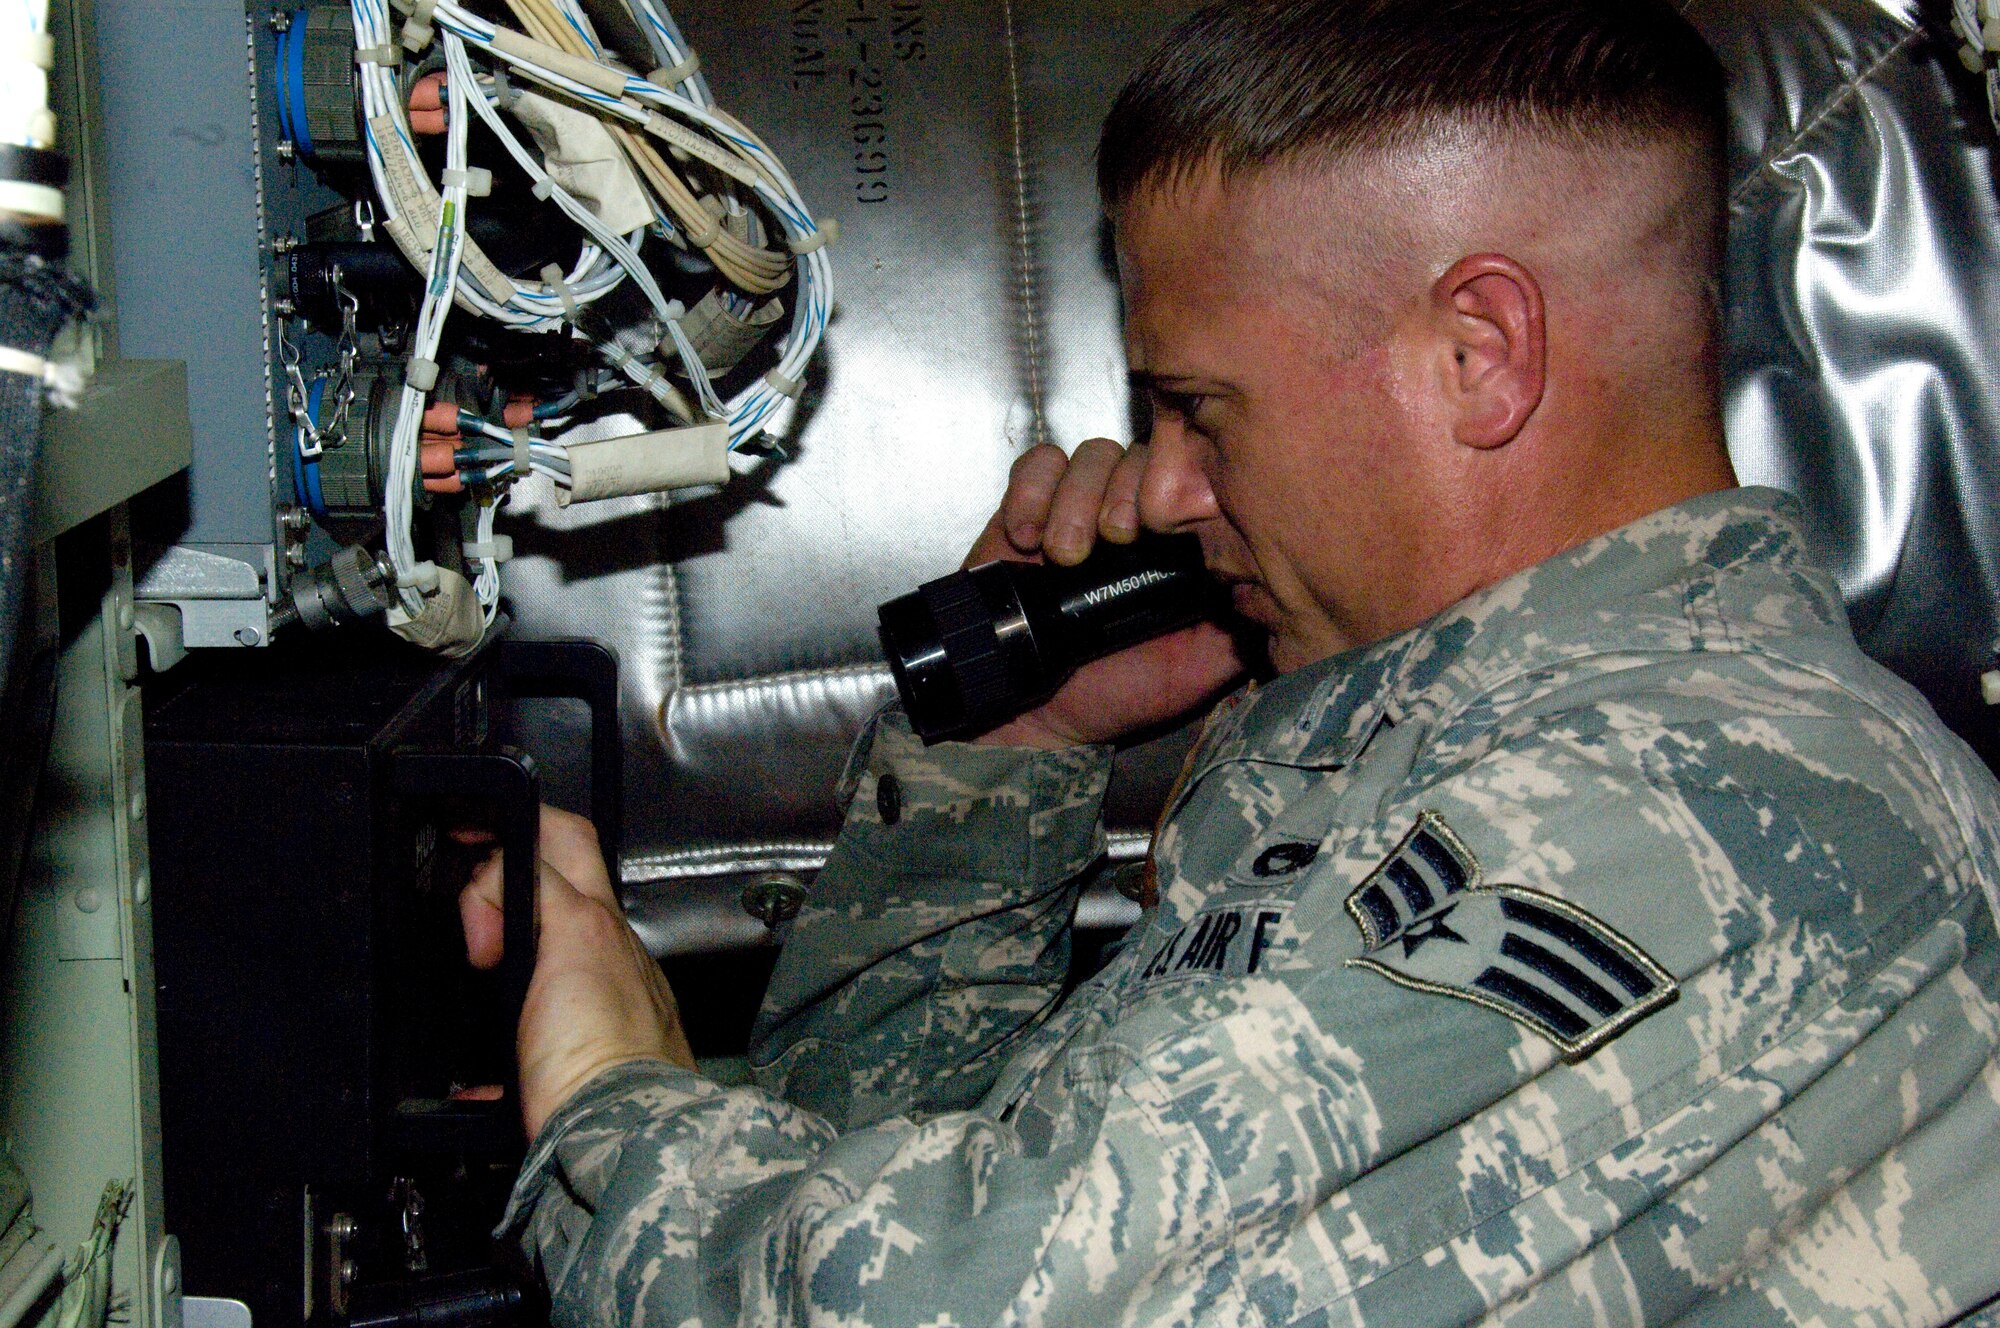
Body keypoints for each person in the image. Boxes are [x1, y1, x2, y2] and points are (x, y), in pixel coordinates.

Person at [460, 0, 2000, 1322]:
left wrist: (605, 1103)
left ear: (1480, 354)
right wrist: (1018, 754)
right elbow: (890, 1170)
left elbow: (949, 1300)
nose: (1173, 489)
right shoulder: (1402, 736)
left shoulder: (1706, 809)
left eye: (1205, 407)